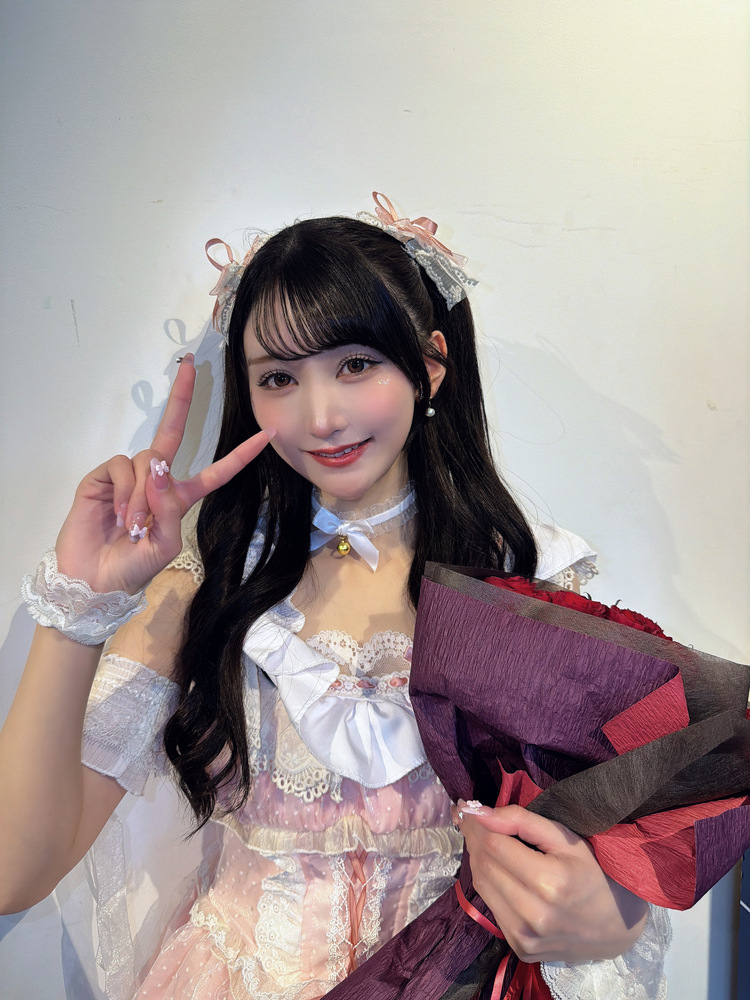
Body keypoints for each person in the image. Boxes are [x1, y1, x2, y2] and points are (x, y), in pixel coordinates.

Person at [0, 195, 669, 999]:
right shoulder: (205, 589)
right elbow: (14, 873)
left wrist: (616, 910)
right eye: (279, 378)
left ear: (429, 366)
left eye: (354, 365)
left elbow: (627, 839)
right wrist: (80, 608)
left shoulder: (533, 585)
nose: (320, 416)